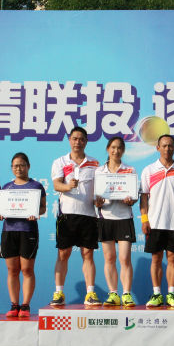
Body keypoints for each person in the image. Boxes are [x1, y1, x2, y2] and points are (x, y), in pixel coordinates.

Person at [140, 134, 174, 308]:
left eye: (170, 146)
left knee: (172, 258)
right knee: (156, 259)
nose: (167, 149)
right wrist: (144, 220)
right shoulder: (149, 170)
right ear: (158, 148)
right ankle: (157, 294)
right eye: (164, 146)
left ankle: (171, 294)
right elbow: (143, 198)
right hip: (154, 222)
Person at [50, 126, 101, 306]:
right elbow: (56, 185)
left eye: (81, 139)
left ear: (86, 141)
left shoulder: (95, 163)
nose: (77, 142)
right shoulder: (60, 161)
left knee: (88, 254)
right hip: (67, 215)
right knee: (63, 254)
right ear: (69, 140)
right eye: (74, 138)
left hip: (88, 214)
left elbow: (100, 189)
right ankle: (58, 293)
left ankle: (90, 293)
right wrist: (68, 186)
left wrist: (99, 200)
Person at [0, 152, 46, 318]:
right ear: (12, 168)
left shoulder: (36, 186)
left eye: (22, 165)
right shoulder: (6, 187)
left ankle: (25, 305)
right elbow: (0, 209)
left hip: (28, 231)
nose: (19, 168)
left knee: (27, 269)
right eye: (15, 166)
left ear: (28, 166)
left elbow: (43, 208)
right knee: (12, 270)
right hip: (9, 231)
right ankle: (14, 304)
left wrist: (35, 213)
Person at [94, 137, 138, 307]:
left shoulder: (130, 170)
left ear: (123, 151)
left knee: (125, 258)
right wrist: (97, 202)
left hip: (124, 218)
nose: (116, 151)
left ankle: (126, 293)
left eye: (119, 148)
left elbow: (134, 197)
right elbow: (95, 198)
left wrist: (130, 200)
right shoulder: (99, 171)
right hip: (105, 218)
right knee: (109, 258)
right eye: (113, 147)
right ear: (108, 149)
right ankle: (113, 293)